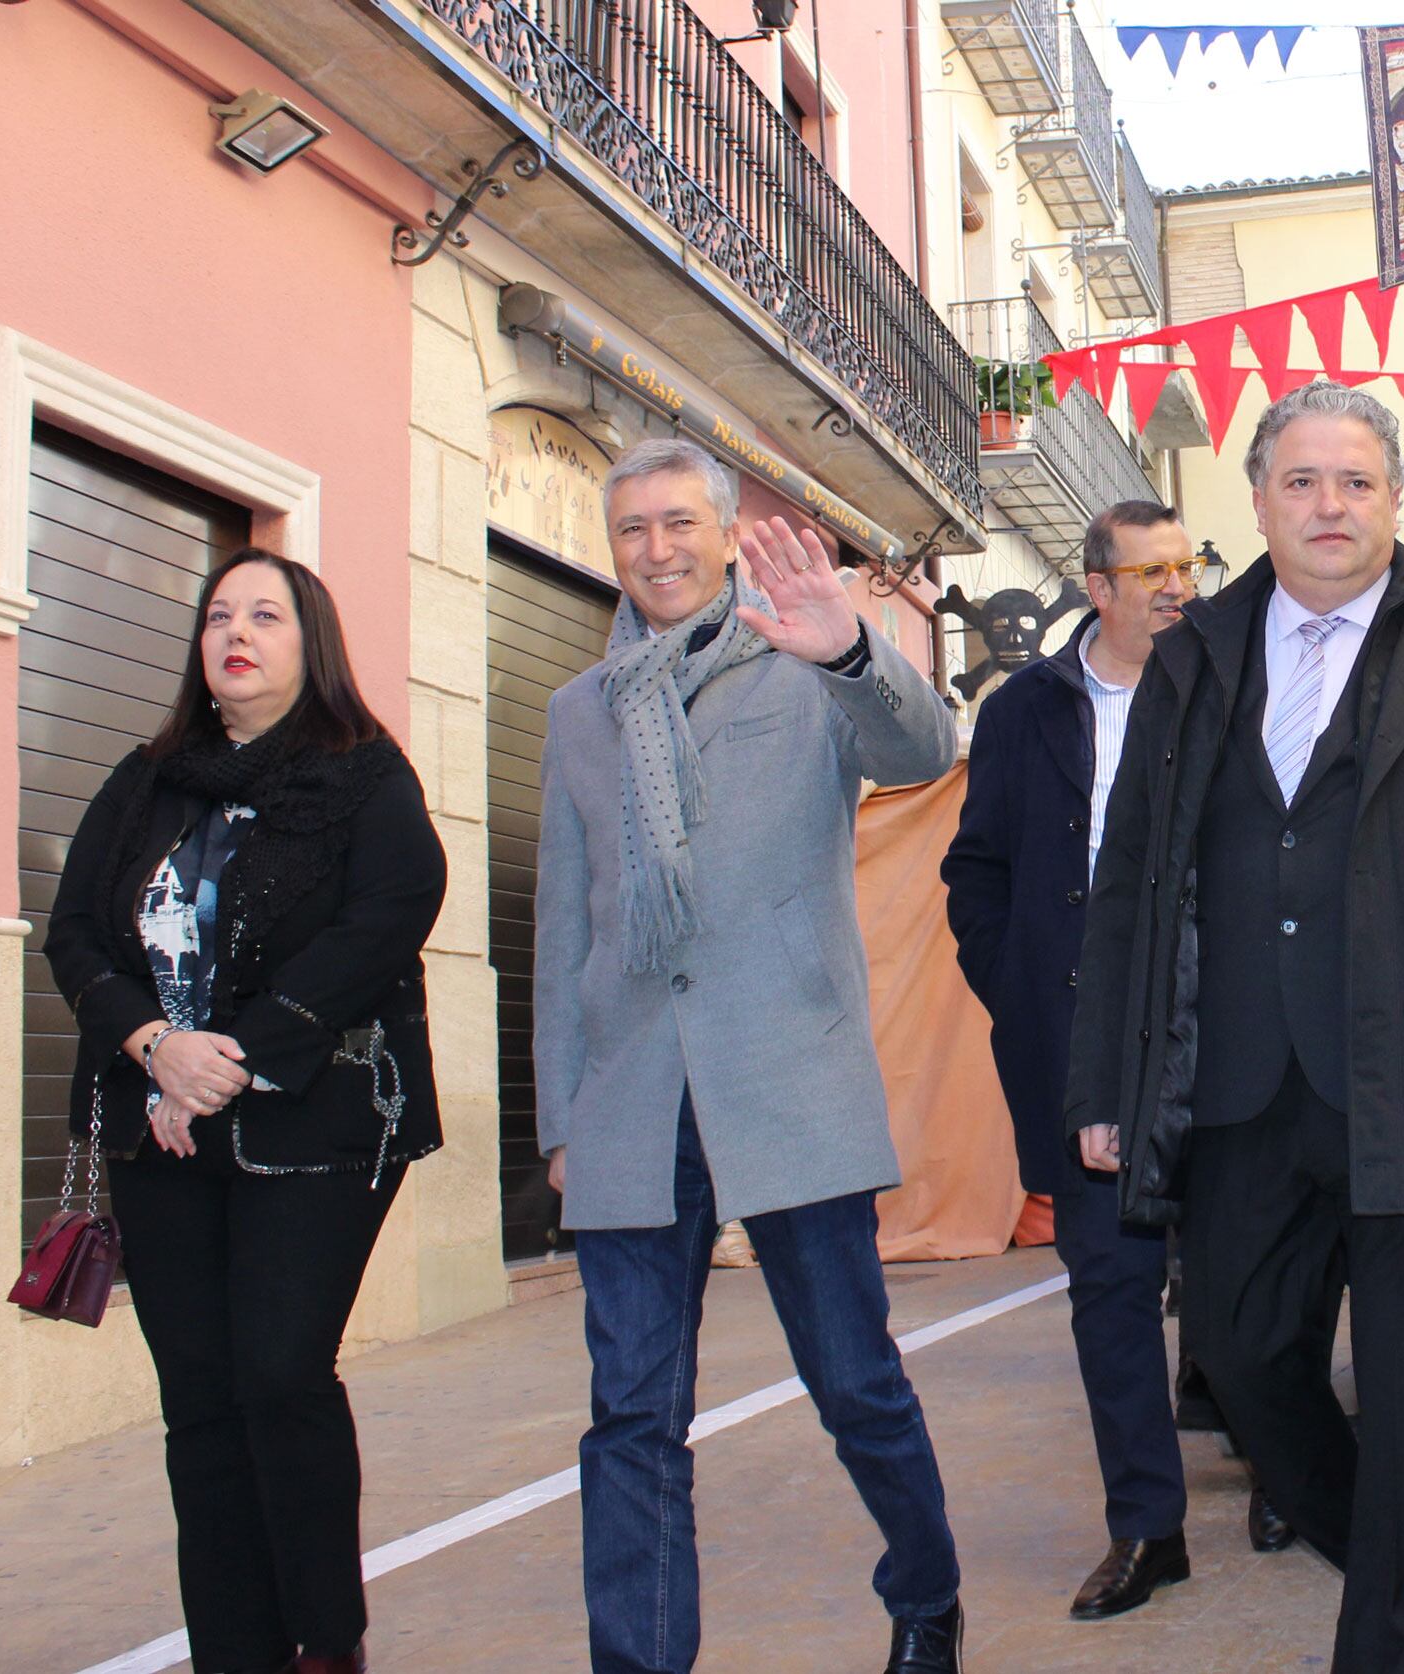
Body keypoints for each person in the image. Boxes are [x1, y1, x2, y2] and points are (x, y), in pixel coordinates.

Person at [1064, 380, 1404, 1673]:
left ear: (1392, 499)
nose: (1329, 505)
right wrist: (1108, 1078)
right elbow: (1132, 878)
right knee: (1247, 1365)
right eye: (1302, 481)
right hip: (1246, 1090)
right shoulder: (1194, 657)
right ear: (1255, 501)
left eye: (1355, 481)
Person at [534, 437, 963, 1674]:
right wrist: (563, 1114)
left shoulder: (805, 664)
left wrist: (846, 648)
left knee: (854, 1381)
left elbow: (924, 752)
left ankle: (926, 1595)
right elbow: (568, 924)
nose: (657, 550)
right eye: (632, 531)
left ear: (726, 535)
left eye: (679, 524)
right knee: (631, 1418)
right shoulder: (580, 712)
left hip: (787, 1078)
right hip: (630, 1098)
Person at [45, 549, 446, 1674]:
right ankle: (236, 1649)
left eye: (266, 614)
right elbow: (74, 931)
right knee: (204, 1404)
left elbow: (387, 919)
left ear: (308, 641)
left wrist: (229, 1059)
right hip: (156, 1124)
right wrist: (155, 1046)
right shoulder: (146, 778)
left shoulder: (367, 774)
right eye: (221, 613)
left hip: (316, 1124)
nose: (238, 632)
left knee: (280, 1373)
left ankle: (327, 1641)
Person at [945, 503, 1290, 1619]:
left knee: (1246, 1272)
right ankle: (1148, 1529)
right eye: (1149, 571)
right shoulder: (1025, 712)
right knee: (1110, 1287)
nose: (1176, 587)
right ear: (1097, 586)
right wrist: (1017, 986)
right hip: (1079, 1034)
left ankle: (1286, 1470)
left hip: (1225, 1021)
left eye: (1186, 565)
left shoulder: (1241, 690)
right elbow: (977, 868)